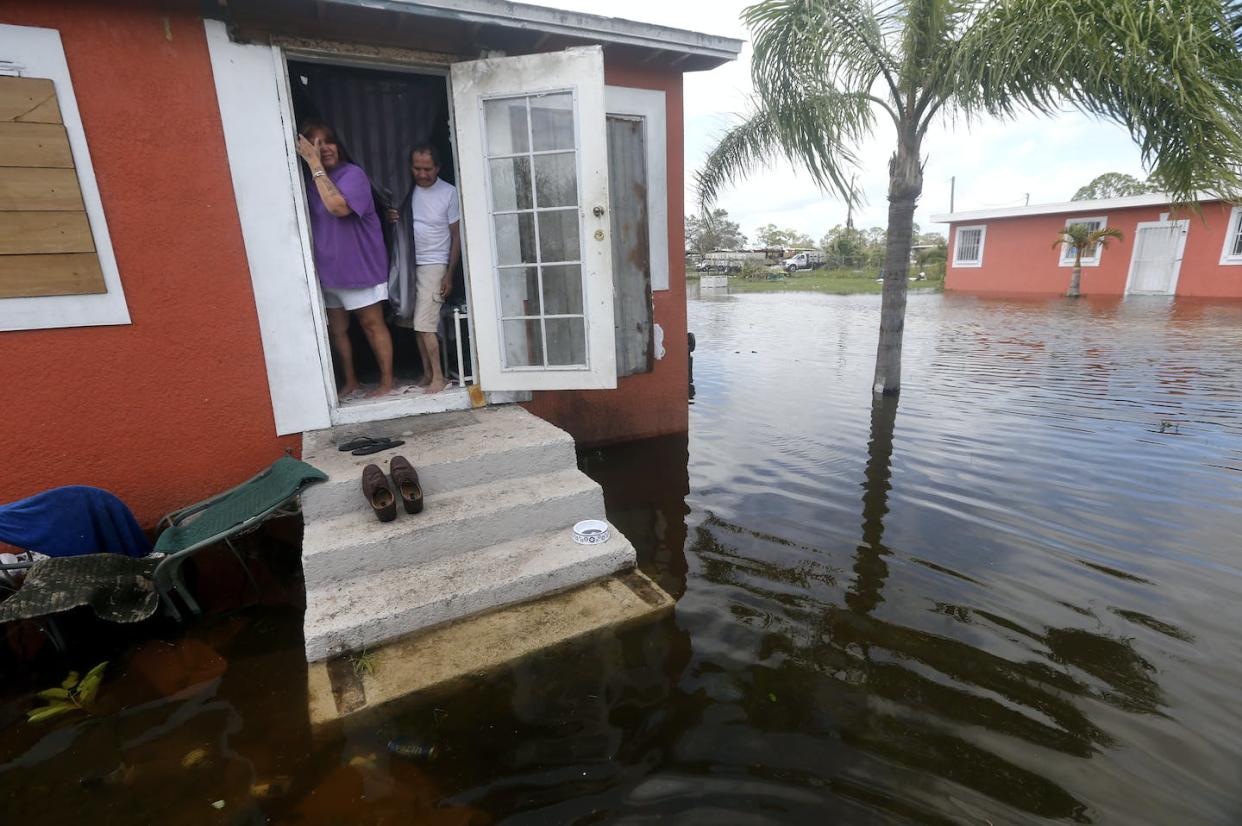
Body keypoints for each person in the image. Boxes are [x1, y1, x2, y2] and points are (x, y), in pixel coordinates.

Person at [295, 121, 394, 399]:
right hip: (328, 269)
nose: (323, 148)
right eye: (314, 143)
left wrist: (315, 165)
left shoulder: (353, 174)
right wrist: (315, 170)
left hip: (360, 267)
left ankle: (386, 382)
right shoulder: (307, 181)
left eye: (328, 141)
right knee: (338, 330)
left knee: (371, 325)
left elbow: (338, 207)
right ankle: (350, 381)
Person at [407, 144, 461, 394]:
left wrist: (450, 273)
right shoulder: (405, 191)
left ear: (437, 167)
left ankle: (439, 377)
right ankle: (428, 373)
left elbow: (456, 236)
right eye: (417, 168)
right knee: (415, 323)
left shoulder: (449, 192)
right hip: (410, 263)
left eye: (427, 169)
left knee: (425, 323)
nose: (422, 174)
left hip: (435, 263)